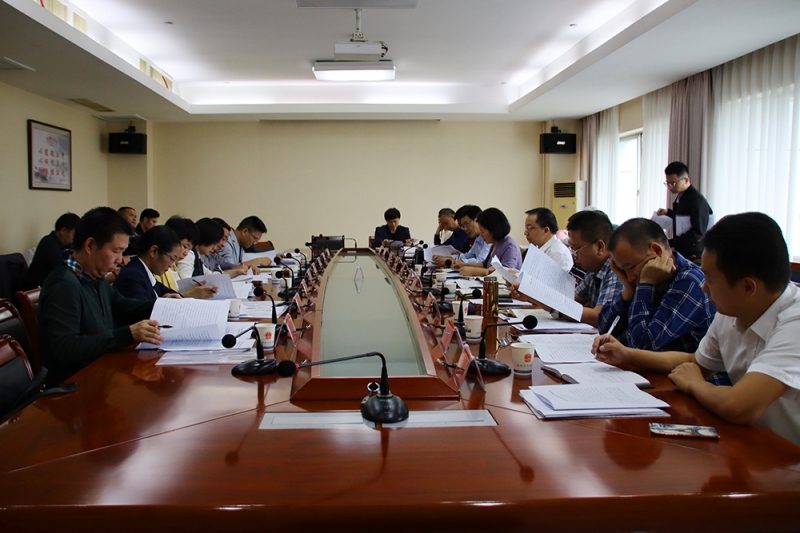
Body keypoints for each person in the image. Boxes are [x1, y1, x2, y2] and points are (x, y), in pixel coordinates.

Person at [594, 212, 800, 446]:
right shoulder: (733, 311)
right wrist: (626, 354)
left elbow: (739, 406)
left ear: (747, 287)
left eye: (710, 280)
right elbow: (695, 361)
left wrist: (694, 384)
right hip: (758, 444)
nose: (704, 289)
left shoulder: (794, 324)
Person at [39, 207, 164, 386]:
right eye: (116, 251)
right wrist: (127, 334)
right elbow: (65, 348)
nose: (120, 260)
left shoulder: (93, 276)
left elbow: (122, 304)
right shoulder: (63, 285)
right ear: (90, 245)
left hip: (101, 371)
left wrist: (162, 305)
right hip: (75, 385)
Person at [599, 218, 715, 352]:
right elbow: (604, 329)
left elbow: (641, 345)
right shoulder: (643, 280)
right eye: (623, 270)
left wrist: (645, 285)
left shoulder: (689, 282)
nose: (630, 277)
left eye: (630, 267)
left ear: (656, 250)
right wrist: (628, 291)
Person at [512, 210, 623, 329]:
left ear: (600, 247)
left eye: (576, 248)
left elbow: (599, 316)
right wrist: (530, 295)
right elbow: (569, 301)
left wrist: (557, 308)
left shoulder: (616, 270)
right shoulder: (593, 270)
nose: (573, 255)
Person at [656, 161, 713, 259]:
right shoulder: (682, 196)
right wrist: (668, 212)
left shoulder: (696, 200)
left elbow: (698, 232)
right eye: (667, 183)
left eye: (673, 183)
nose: (670, 187)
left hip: (694, 253)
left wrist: (672, 242)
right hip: (684, 249)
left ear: (686, 180)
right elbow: (685, 216)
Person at [113, 226, 184, 301]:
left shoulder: (145, 273)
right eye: (171, 259)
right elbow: (142, 307)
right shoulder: (132, 277)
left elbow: (169, 292)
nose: (171, 265)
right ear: (153, 251)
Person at [154, 216, 218, 299]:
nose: (186, 253)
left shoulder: (174, 267)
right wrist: (190, 294)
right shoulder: (160, 267)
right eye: (184, 246)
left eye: (189, 249)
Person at [23, 212, 80, 289]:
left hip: (54, 285)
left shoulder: (67, 244)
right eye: (74, 234)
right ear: (63, 231)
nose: (76, 238)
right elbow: (64, 268)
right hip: (37, 289)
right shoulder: (48, 243)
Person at [459, 207, 522, 276]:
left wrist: (474, 271)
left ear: (493, 229)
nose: (480, 235)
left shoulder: (509, 246)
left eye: (482, 231)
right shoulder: (495, 243)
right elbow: (484, 265)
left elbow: (506, 274)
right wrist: (463, 265)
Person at [523, 207, 573, 271]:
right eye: (526, 228)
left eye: (529, 228)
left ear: (546, 230)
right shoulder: (538, 249)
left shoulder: (557, 253)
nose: (525, 233)